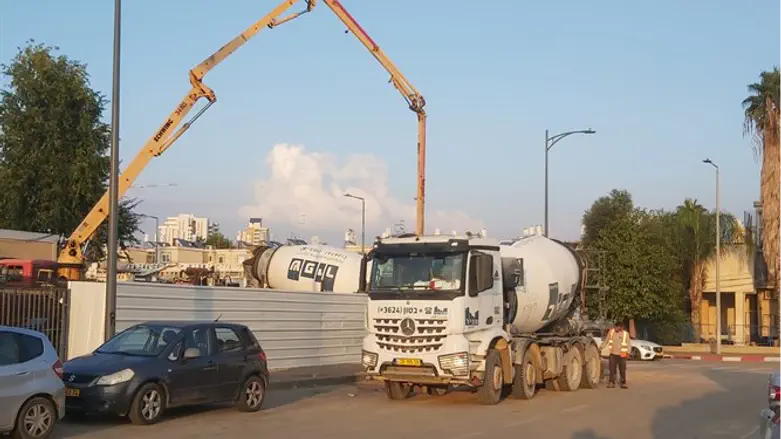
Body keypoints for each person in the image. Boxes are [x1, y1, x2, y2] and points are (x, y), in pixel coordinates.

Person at [599, 322, 631, 389]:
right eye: (615, 327)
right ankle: (611, 382)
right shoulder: (611, 332)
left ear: (621, 327)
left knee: (622, 369)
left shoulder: (625, 334)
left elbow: (628, 344)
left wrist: (628, 353)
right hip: (613, 354)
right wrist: (600, 347)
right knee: (612, 369)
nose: (615, 328)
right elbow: (606, 341)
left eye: (617, 327)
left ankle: (623, 383)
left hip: (622, 355)